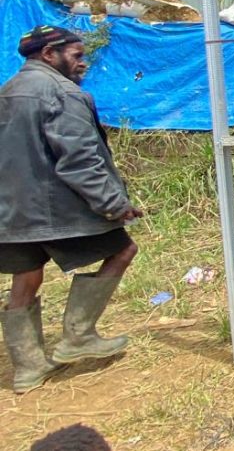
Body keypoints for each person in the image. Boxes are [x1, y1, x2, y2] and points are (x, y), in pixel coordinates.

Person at [0, 25, 141, 395]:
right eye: (77, 56)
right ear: (50, 54)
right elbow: (79, 161)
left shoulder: (8, 90)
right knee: (123, 249)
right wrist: (114, 205)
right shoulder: (62, 94)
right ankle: (78, 334)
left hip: (11, 212)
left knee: (26, 277)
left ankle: (27, 369)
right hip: (55, 211)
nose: (82, 63)